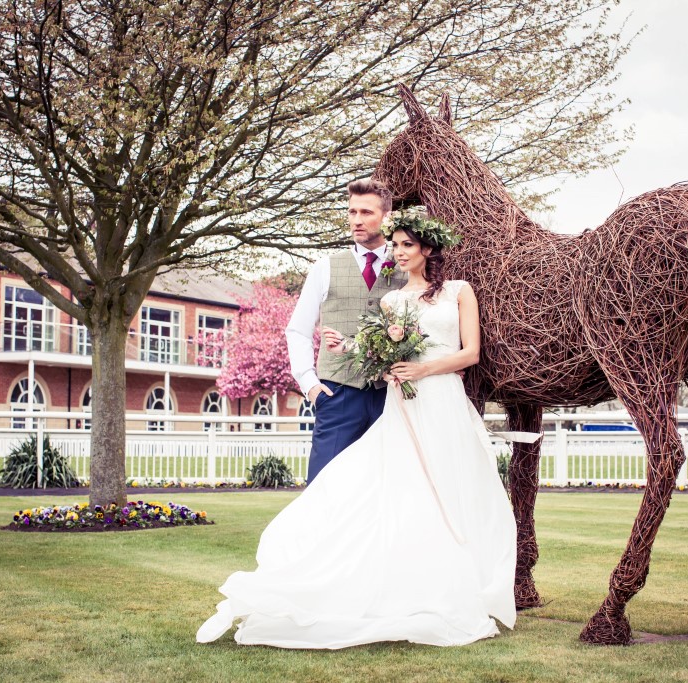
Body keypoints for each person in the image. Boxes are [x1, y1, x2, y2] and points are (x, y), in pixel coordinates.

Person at [196, 210, 518, 649]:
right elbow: (383, 358)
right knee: (405, 488)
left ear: (427, 248)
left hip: (444, 397)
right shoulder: (392, 302)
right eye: (395, 245)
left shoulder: (460, 292)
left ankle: (463, 579)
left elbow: (471, 354)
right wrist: (350, 347)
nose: (398, 252)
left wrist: (423, 369)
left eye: (407, 245)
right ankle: (408, 582)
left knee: (455, 485)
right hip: (405, 403)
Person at [285, 178, 405, 482]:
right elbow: (298, 330)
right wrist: (311, 386)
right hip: (336, 394)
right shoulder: (325, 267)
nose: (357, 220)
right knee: (324, 486)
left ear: (387, 217)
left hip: (391, 396)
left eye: (366, 212)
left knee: (387, 487)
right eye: (352, 212)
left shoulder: (406, 266)